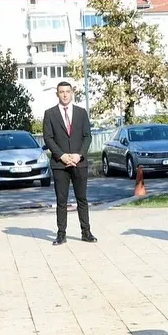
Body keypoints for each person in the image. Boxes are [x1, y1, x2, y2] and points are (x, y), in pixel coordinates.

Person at [43, 81, 96, 246]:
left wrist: (79, 155)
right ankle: (61, 234)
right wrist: (61, 156)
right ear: (57, 94)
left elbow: (87, 136)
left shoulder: (81, 113)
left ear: (72, 93)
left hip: (79, 162)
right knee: (61, 200)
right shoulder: (50, 114)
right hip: (60, 164)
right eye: (61, 92)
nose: (65, 94)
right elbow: (48, 138)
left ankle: (86, 232)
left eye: (67, 91)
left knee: (82, 198)